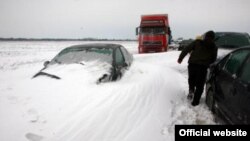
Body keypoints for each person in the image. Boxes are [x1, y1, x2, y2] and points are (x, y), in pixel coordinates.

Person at [177, 30, 218, 106]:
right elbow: (213, 59)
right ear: (213, 38)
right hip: (203, 67)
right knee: (200, 84)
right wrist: (209, 64)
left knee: (191, 79)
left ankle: (191, 90)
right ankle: (195, 101)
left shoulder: (198, 42)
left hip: (192, 65)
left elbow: (186, 49)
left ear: (205, 36)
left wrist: (180, 58)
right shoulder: (214, 47)